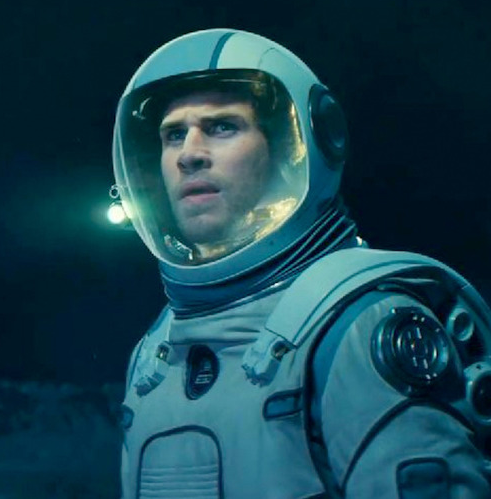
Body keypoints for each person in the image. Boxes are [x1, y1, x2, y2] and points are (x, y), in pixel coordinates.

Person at [112, 29, 491, 497]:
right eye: (173, 135)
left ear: (289, 151)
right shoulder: (155, 351)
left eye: (222, 127)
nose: (188, 154)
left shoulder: (354, 324)